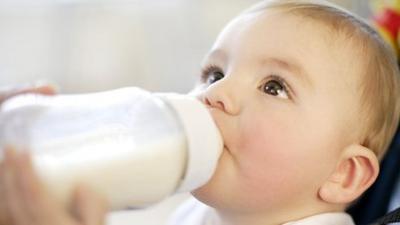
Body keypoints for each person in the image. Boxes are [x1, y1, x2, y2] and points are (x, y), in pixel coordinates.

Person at [1, 0, 400, 224]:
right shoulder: (199, 211)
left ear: (343, 175)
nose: (218, 93)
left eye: (273, 86)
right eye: (214, 74)